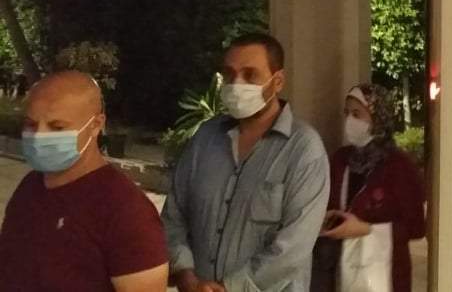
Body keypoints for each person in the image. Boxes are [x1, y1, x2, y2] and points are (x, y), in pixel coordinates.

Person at [163, 33, 330, 292]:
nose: (236, 84)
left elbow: (294, 246)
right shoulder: (205, 138)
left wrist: (230, 288)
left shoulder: (304, 149)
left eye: (250, 75)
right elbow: (174, 215)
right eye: (230, 75)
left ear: (278, 81)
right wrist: (184, 273)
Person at [0, 71, 168, 291]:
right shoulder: (31, 185)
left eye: (57, 127)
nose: (39, 136)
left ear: (96, 124)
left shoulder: (127, 212)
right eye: (31, 124)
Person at [315, 84, 425, 292]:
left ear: (378, 118)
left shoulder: (399, 166)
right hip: (338, 270)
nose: (349, 120)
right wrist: (328, 220)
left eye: (357, 114)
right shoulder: (340, 159)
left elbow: (416, 227)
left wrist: (367, 230)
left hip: (386, 275)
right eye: (347, 113)